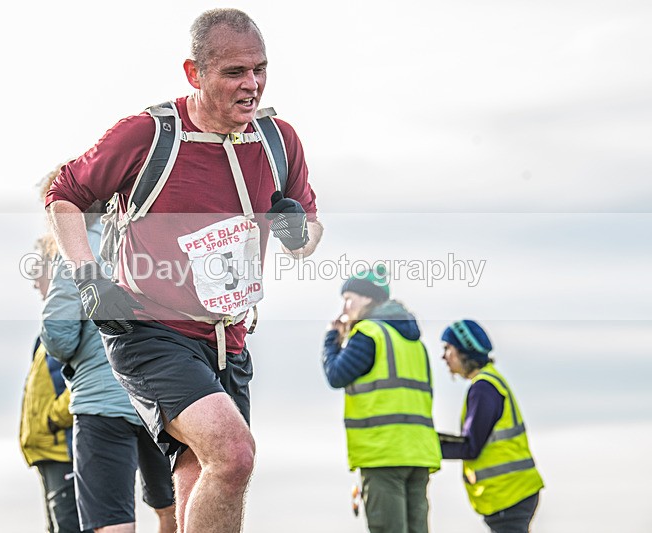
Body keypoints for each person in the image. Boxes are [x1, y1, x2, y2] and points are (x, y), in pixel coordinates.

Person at [45, 8, 322, 533]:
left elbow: (309, 236)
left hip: (227, 341)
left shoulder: (278, 140)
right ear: (195, 73)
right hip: (149, 331)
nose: (253, 85)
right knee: (235, 454)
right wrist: (88, 279)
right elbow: (65, 197)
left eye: (260, 69)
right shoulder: (146, 135)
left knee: (202, 475)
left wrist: (295, 230)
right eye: (235, 73)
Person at [42, 200, 176, 533]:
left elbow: (59, 335)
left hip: (103, 404)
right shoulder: (159, 238)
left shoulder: (80, 247)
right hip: (166, 399)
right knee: (172, 508)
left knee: (113, 522)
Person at [322, 266, 441, 533]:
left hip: (383, 453)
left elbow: (336, 375)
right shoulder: (414, 342)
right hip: (418, 452)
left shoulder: (368, 333)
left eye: (349, 298)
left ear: (367, 299)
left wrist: (332, 338)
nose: (345, 307)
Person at [439, 320, 544, 533]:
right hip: (515, 491)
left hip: (508, 493)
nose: (444, 357)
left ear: (464, 351)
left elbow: (471, 447)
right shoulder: (490, 382)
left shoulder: (483, 388)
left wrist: (423, 445)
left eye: (448, 349)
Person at [20, 233, 84, 533]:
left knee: (70, 526)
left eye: (38, 273)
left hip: (65, 447)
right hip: (48, 449)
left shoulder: (72, 324)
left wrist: (53, 419)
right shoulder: (46, 335)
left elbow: (84, 377)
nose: (34, 283)